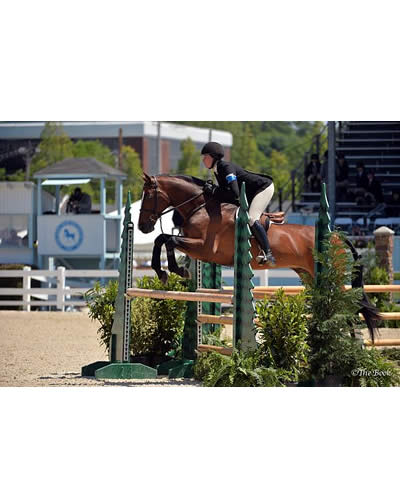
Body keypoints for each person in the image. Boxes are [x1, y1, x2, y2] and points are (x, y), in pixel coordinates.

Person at [200, 141, 276, 265]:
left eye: (206, 156)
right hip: (251, 192)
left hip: (263, 188)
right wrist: (214, 190)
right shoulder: (217, 170)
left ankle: (268, 253)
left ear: (213, 157)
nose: (203, 160)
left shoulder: (226, 168)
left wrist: (214, 190)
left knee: (252, 218)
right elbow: (227, 194)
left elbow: (234, 194)